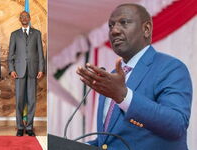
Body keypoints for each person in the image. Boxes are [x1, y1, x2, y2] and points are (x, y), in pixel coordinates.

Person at [77, 3, 192, 150]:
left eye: (124, 23)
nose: (114, 31)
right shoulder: (111, 78)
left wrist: (123, 96)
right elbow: (108, 141)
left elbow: (176, 126)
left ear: (146, 29)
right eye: (111, 26)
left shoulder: (171, 68)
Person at [8, 11, 45, 137]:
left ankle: (29, 127)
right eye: (22, 17)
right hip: (18, 72)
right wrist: (11, 69)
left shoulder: (37, 33)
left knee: (31, 100)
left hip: (33, 71)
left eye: (26, 16)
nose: (24, 18)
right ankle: (19, 127)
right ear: (19, 19)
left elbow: (40, 53)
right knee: (19, 100)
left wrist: (41, 69)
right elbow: (10, 54)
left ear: (29, 18)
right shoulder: (14, 34)